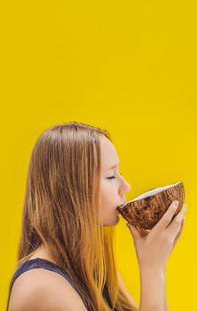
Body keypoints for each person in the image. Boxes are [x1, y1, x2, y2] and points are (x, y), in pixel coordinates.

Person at [6, 122, 187, 311]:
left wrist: (159, 266)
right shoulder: (42, 289)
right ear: (70, 190)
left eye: (120, 173)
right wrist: (152, 271)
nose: (126, 186)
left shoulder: (92, 271)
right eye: (110, 176)